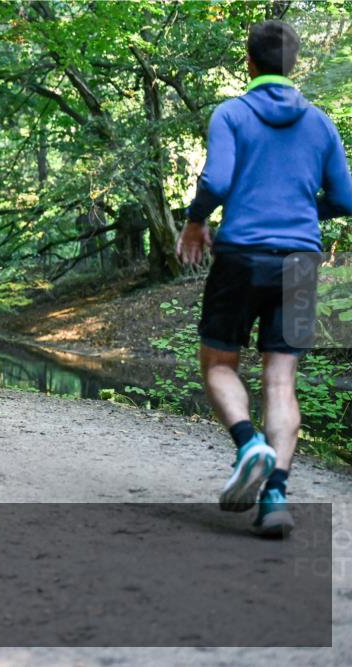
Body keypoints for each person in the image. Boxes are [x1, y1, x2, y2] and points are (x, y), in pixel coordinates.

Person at [177, 20, 352, 537]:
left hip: (242, 257)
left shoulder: (232, 112)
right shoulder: (320, 123)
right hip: (300, 260)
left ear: (248, 63)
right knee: (282, 379)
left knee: (218, 363)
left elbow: (217, 179)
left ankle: (250, 443)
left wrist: (196, 219)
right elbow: (344, 199)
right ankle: (275, 495)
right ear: (293, 65)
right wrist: (299, 213)